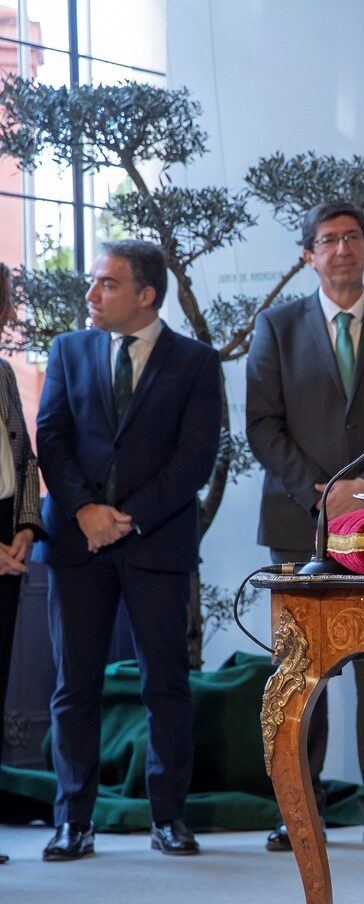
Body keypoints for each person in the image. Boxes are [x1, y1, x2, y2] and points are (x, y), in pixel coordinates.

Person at [246, 201, 364, 852]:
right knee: (301, 669)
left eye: (352, 237)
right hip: (298, 520)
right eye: (328, 240)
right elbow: (262, 425)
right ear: (309, 256)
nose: (342, 248)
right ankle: (299, 807)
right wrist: (320, 492)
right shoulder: (275, 327)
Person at [35, 240, 222, 860]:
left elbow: (195, 458)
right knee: (74, 685)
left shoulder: (196, 362)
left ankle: (169, 818)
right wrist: (86, 511)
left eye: (106, 284)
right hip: (76, 540)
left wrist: (128, 520)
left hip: (156, 542)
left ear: (146, 295)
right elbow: (52, 438)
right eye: (93, 282)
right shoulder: (68, 349)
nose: (91, 294)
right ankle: (73, 821)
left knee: (165, 683)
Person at [0, 263, 45, 866]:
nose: (10, 310)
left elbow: (25, 459)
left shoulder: (4, 372)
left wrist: (26, 528)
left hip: (9, 536)